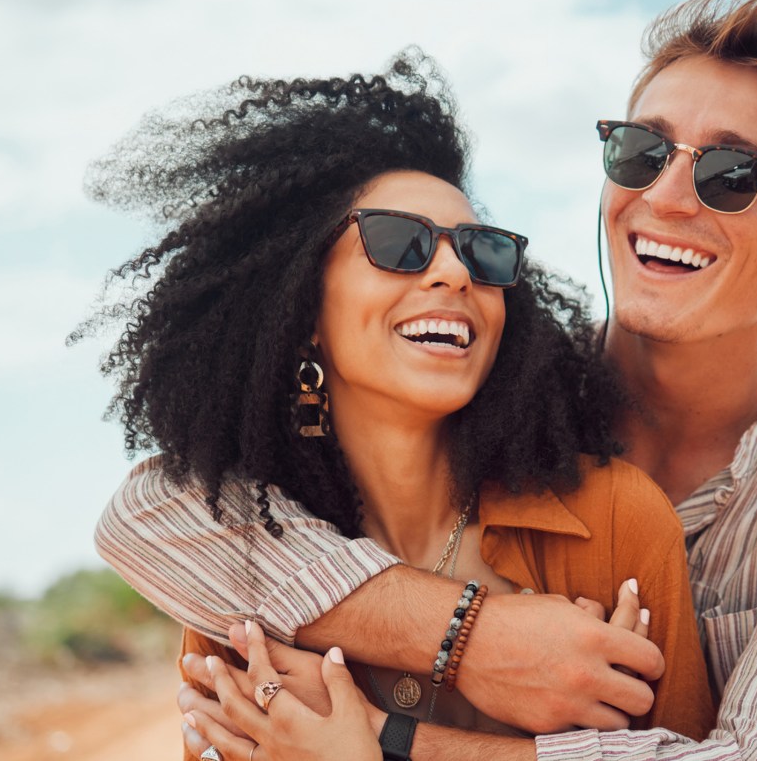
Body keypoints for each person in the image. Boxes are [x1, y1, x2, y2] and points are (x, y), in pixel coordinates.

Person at [100, 0, 757, 761]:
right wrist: (474, 638)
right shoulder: (478, 392)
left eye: (733, 174)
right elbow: (148, 514)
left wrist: (392, 744)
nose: (665, 195)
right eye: (640, 150)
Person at [85, 53, 713, 760]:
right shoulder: (242, 573)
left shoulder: (615, 526)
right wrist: (474, 645)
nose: (452, 270)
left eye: (483, 252)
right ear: (302, 311)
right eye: (399, 242)